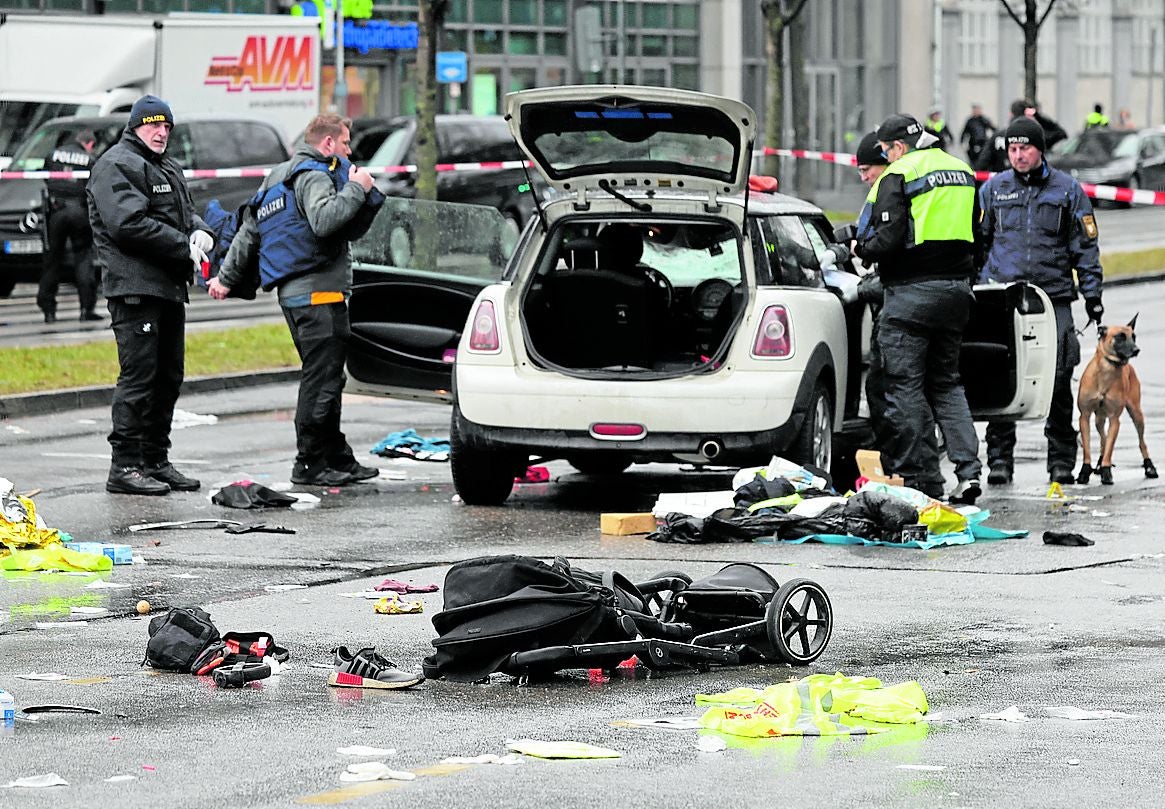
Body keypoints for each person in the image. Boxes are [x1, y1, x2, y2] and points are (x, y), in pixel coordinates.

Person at [208, 113, 381, 487]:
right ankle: (309, 464)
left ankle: (336, 457)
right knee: (321, 382)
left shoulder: (278, 176)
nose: (350, 150)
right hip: (319, 293)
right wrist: (358, 189)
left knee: (327, 378)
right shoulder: (315, 174)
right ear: (328, 143)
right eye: (346, 143)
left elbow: (248, 235)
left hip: (296, 295)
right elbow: (324, 220)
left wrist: (225, 278)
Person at [88, 95, 214, 495]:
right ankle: (124, 466)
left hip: (167, 289)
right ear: (135, 126)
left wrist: (199, 229)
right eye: (153, 125)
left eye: (166, 127)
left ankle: (155, 460)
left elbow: (182, 212)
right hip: (135, 289)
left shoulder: (166, 166)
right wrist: (182, 245)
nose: (161, 133)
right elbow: (128, 224)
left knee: (167, 377)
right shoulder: (116, 165)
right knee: (140, 378)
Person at [853, 114, 982, 504]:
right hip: (957, 292)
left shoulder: (899, 174)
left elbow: (887, 239)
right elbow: (980, 232)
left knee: (904, 387)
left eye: (887, 150)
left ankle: (919, 479)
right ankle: (969, 473)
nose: (887, 156)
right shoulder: (963, 171)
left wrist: (861, 250)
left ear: (897, 147)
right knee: (946, 384)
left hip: (910, 295)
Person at [977, 117, 1103, 486]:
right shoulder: (994, 190)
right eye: (1012, 150)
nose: (1018, 156)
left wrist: (1093, 296)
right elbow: (980, 242)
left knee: (1059, 376)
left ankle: (1061, 458)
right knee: (1004, 375)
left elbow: (1086, 248)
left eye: (1025, 149)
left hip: (1053, 296)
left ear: (1040, 149)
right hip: (1004, 296)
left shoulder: (1068, 191)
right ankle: (1000, 458)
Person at [853, 131, 893, 453]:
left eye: (868, 169)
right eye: (860, 171)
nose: (865, 177)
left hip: (895, 303)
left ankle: (890, 458)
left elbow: (872, 244)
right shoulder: (890, 186)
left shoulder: (889, 188)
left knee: (884, 385)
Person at [37, 129, 100, 323]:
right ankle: (86, 309)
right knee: (83, 258)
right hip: (80, 212)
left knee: (52, 260)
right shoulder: (89, 159)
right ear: (88, 144)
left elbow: (46, 178)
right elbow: (93, 187)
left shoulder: (53, 154)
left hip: (56, 211)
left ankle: (48, 310)